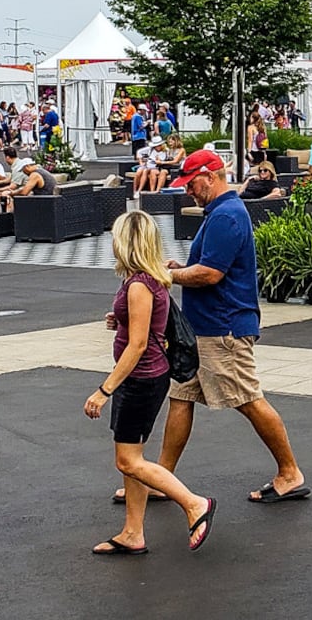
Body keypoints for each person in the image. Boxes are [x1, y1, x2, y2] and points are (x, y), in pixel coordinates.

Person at [154, 149, 310, 506]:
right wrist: (180, 267)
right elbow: (207, 265)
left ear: (210, 176)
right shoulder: (221, 213)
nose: (189, 191)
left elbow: (211, 274)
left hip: (223, 328)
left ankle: (290, 472)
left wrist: (168, 275)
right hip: (205, 327)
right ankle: (160, 478)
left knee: (248, 399)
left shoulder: (226, 216)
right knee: (181, 397)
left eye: (192, 183)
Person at [88, 211, 218, 554]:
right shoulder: (145, 280)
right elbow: (144, 328)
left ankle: (194, 504)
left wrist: (104, 390)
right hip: (145, 377)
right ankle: (133, 532)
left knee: (128, 461)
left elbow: (140, 344)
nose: (112, 243)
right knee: (131, 456)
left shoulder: (139, 285)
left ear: (127, 242)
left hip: (141, 380)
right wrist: (121, 319)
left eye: (116, 237)